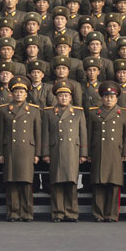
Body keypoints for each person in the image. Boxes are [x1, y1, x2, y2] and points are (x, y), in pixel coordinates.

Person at [41, 85, 87, 222]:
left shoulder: (78, 112)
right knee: (56, 183)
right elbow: (45, 134)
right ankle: (58, 213)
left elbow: (83, 134)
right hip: (56, 151)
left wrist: (83, 153)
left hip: (72, 151)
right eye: (61, 95)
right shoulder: (49, 112)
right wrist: (45, 153)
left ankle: (71, 213)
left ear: (71, 97)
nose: (64, 98)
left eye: (66, 95)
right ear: (56, 97)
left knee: (71, 183)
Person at [0, 83, 43, 221]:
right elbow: (0, 133)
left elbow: (38, 134)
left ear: (26, 94)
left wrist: (37, 154)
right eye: (16, 91)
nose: (19, 94)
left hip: (27, 150)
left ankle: (27, 213)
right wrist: (0, 153)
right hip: (10, 149)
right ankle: (13, 213)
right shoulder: (4, 110)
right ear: (11, 94)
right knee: (11, 182)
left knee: (26, 182)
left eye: (22, 92)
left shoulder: (34, 110)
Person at [85, 86, 126, 222]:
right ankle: (98, 214)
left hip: (116, 152)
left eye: (112, 97)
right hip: (99, 151)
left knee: (114, 184)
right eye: (106, 97)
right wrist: (88, 153)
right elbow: (89, 135)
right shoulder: (94, 113)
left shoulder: (124, 113)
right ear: (102, 98)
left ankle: (112, 214)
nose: (109, 99)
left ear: (116, 98)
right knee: (98, 183)